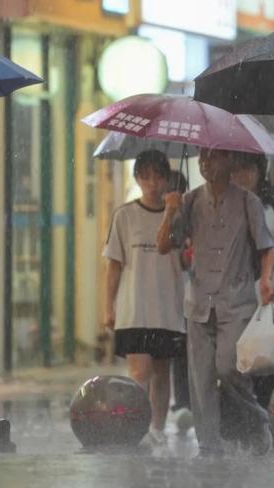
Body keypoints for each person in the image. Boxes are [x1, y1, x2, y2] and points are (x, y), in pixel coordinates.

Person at [156, 148, 274, 457]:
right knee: (201, 379)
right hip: (198, 302)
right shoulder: (190, 200)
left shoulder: (248, 201)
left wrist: (266, 279)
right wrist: (170, 210)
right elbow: (164, 245)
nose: (205, 162)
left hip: (236, 300)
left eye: (214, 156)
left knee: (228, 367)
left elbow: (267, 246)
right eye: (201, 157)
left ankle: (258, 419)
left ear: (230, 161)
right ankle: (209, 445)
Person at [103, 150, 186, 446]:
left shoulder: (180, 214)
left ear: (167, 178)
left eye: (158, 176)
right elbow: (114, 265)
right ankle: (136, 427)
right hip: (134, 308)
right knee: (140, 371)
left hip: (167, 307)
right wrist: (108, 306)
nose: (152, 182)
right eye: (145, 176)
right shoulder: (124, 215)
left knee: (162, 372)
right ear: (137, 178)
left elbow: (187, 259)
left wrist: (172, 212)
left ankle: (157, 428)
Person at [231, 153, 274, 411]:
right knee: (237, 372)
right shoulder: (223, 207)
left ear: (260, 171)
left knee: (272, 368)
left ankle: (270, 424)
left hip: (272, 303)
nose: (241, 176)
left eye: (247, 169)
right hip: (234, 305)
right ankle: (245, 429)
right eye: (236, 169)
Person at [167, 169, 195, 436]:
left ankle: (190, 402)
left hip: (192, 290)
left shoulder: (191, 214)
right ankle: (182, 403)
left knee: (188, 350)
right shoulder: (165, 218)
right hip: (172, 293)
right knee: (178, 351)